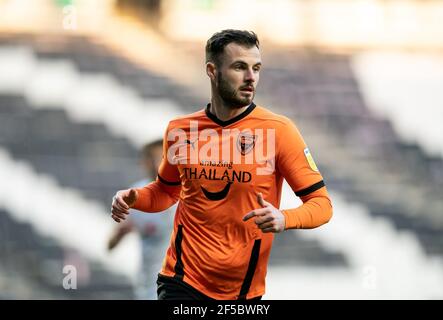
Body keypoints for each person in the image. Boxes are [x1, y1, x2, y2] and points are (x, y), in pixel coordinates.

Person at [111, 29, 333, 300]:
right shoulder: (181, 130)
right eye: (239, 67)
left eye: (256, 68)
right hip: (180, 280)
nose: (251, 77)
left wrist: (285, 218)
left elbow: (322, 205)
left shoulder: (279, 131)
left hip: (243, 292)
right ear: (212, 70)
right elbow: (166, 192)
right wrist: (134, 198)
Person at [108, 140, 173, 299]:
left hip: (179, 284)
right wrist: (120, 233)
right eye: (154, 158)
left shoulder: (187, 193)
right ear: (144, 162)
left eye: (163, 157)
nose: (158, 163)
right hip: (149, 285)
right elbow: (110, 245)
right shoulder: (134, 195)